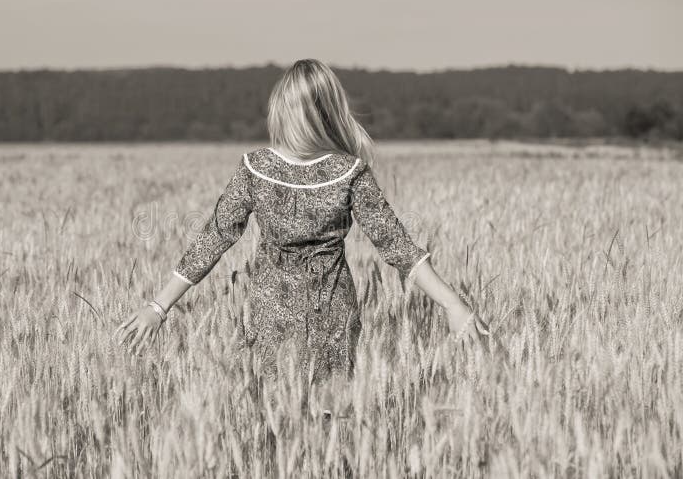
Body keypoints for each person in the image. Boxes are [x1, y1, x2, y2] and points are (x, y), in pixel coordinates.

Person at [116, 58, 489, 384]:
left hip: (300, 314)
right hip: (311, 312)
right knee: (320, 421)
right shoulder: (327, 170)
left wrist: (159, 306)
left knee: (304, 421)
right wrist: (158, 307)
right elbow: (397, 247)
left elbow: (215, 236)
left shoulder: (272, 168)